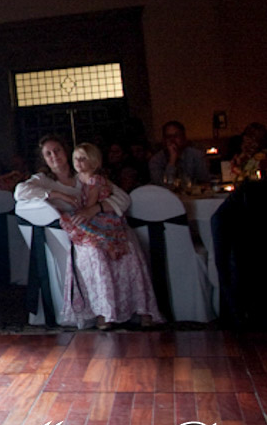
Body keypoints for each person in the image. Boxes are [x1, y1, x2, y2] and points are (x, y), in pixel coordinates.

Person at [17, 137, 161, 329]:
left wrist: (95, 209)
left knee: (128, 245)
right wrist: (58, 194)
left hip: (102, 223)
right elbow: (20, 192)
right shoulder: (43, 180)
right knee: (96, 251)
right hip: (75, 233)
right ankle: (104, 311)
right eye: (48, 153)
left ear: (66, 151)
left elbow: (123, 198)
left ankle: (141, 309)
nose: (54, 156)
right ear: (43, 158)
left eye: (57, 150)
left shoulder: (85, 174)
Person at [149, 121, 210, 186]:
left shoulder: (196, 155)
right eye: (168, 137)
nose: (172, 140)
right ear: (164, 140)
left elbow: (204, 181)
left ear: (184, 138)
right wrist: (172, 161)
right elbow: (162, 186)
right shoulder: (156, 161)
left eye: (176, 136)